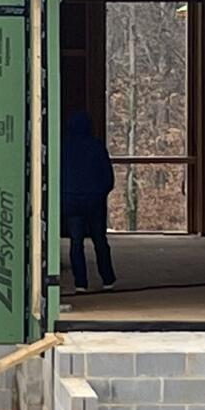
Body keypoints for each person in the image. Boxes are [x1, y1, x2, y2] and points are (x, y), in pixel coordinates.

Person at [62, 109, 117, 293]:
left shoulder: (63, 147)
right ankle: (107, 279)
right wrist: (100, 193)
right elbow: (108, 176)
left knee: (76, 243)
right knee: (100, 241)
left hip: (71, 201)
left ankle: (80, 283)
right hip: (94, 201)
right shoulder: (96, 146)